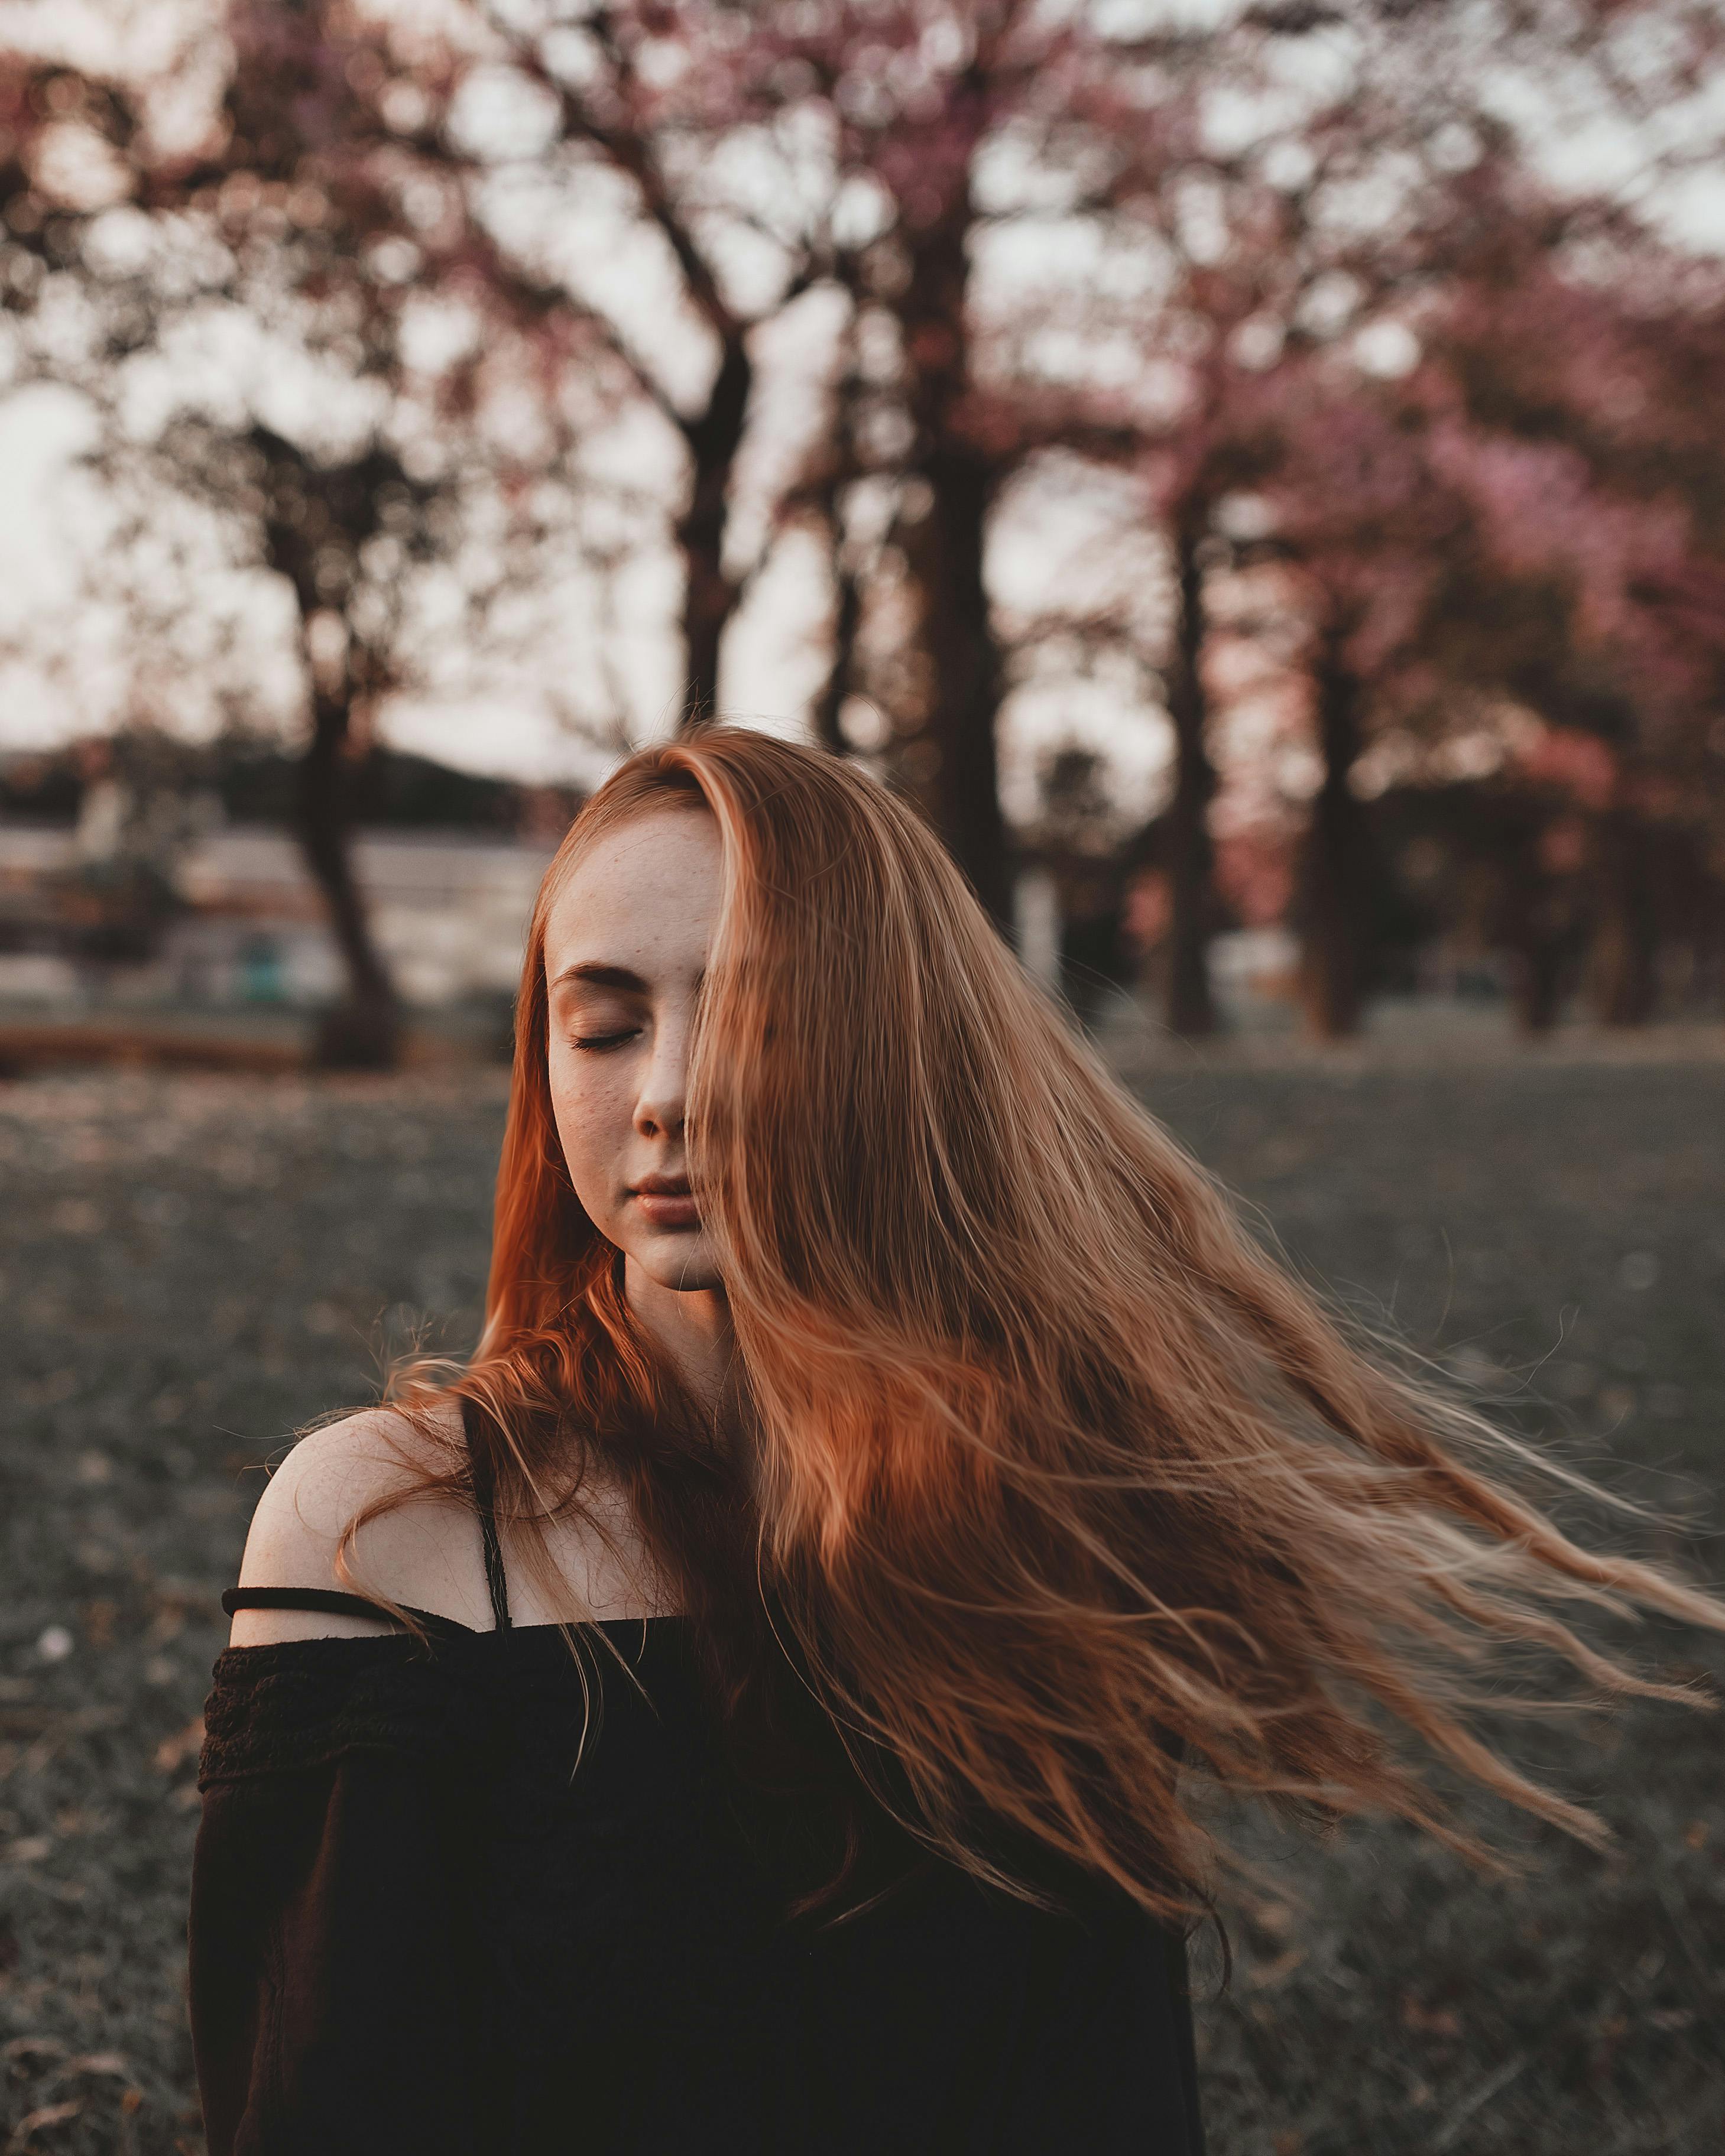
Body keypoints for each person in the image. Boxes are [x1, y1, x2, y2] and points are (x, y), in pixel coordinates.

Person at [189, 728, 1720, 2155]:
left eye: (759, 1014)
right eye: (603, 1023)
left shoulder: (1050, 1510)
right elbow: (323, 2096)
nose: (665, 1094)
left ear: (895, 1048)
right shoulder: (389, 1526)